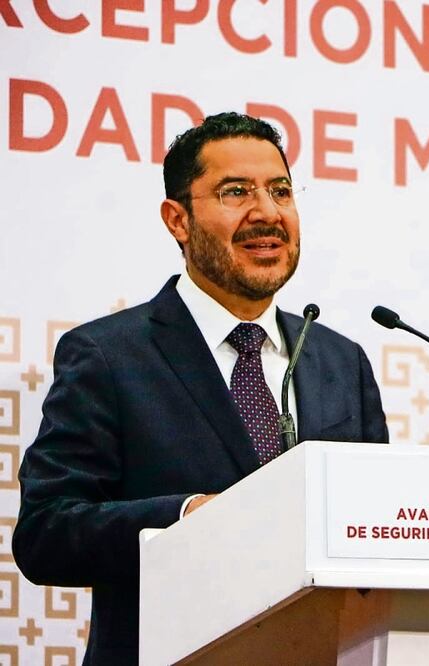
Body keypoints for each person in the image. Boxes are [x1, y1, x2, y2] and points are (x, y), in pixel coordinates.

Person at [13, 112, 389, 665]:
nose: (266, 212)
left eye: (280, 191)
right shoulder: (109, 356)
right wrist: (186, 518)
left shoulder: (339, 361)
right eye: (235, 192)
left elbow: (374, 527)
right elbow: (47, 532)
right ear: (178, 220)